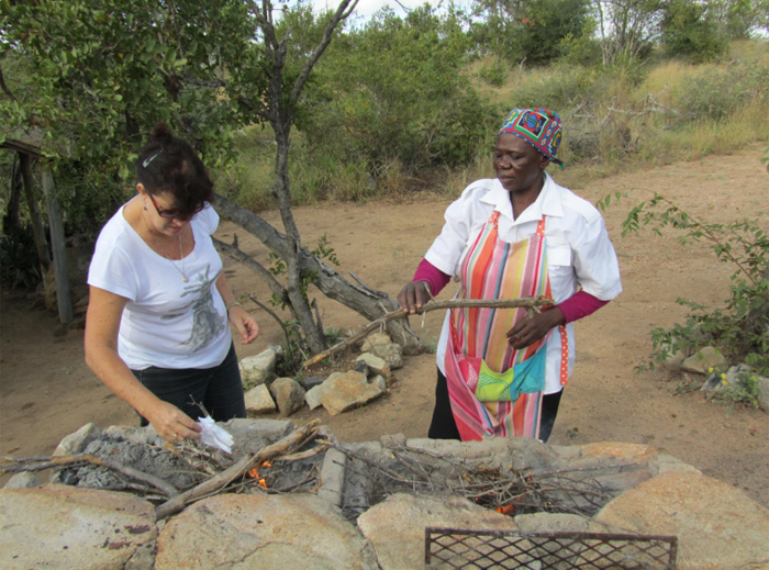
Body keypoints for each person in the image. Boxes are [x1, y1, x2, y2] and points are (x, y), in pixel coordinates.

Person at [397, 108, 621, 443]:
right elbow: (443, 256)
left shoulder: (576, 218)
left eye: (516, 157)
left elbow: (601, 287)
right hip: (464, 360)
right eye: (498, 155)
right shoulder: (478, 201)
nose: (503, 164)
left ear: (543, 159)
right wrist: (423, 283)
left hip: (532, 366)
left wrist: (551, 318)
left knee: (516, 461)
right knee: (447, 446)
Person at [85, 123, 259, 444]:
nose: (180, 222)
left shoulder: (194, 210)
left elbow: (205, 263)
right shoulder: (118, 252)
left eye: (188, 213)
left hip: (219, 359)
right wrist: (153, 409)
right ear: (142, 193)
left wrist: (231, 305)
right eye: (169, 213)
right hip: (163, 376)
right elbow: (97, 349)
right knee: (186, 465)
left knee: (236, 445)